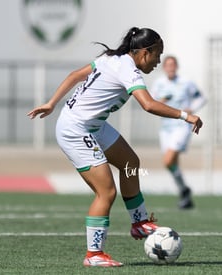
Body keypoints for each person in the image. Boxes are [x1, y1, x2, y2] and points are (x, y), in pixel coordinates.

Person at [27, 27, 203, 267]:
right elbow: (148, 105)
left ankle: (139, 223)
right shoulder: (127, 69)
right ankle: (93, 255)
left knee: (130, 163)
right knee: (106, 191)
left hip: (92, 125)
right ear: (143, 53)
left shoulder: (111, 58)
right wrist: (186, 115)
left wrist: (51, 103)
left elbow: (74, 75)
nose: (158, 61)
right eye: (157, 55)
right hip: (75, 129)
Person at [152, 55, 207, 209]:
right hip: (165, 128)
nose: (170, 68)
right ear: (164, 68)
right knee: (171, 163)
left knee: (168, 160)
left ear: (176, 67)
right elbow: (153, 103)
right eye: (168, 65)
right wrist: (162, 101)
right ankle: (184, 191)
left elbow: (201, 97)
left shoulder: (186, 82)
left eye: (173, 65)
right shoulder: (159, 84)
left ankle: (184, 190)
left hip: (181, 126)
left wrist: (192, 109)